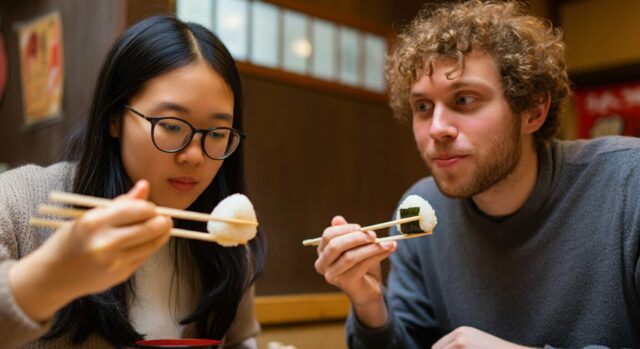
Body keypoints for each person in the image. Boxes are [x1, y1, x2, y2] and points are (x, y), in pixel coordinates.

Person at [313, 1, 640, 348]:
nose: (437, 128)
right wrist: (369, 303)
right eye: (422, 107)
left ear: (533, 110)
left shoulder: (628, 182)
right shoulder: (420, 208)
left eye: (465, 100)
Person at [0, 15, 266, 348]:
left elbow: (240, 340)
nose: (195, 155)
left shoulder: (225, 240)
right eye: (171, 126)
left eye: (216, 133)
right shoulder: (19, 202)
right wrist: (51, 276)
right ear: (115, 118)